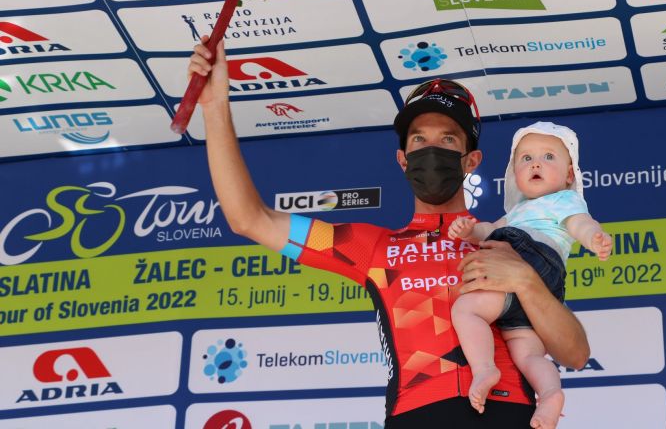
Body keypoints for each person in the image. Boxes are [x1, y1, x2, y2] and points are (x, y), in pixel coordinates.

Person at [187, 36, 590, 428]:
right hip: (416, 414)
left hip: (510, 412)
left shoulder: (508, 240)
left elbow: (574, 353)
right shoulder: (370, 247)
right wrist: (214, 106)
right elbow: (249, 219)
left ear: (471, 160)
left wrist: (525, 281)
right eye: (419, 139)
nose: (432, 149)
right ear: (403, 159)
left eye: (448, 139)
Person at [448, 122, 612, 428]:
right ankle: (550, 394)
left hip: (532, 256)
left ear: (569, 175)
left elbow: (580, 223)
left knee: (466, 308)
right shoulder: (515, 213)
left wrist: (594, 238)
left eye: (548, 156)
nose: (536, 163)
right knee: (527, 353)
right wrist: (470, 231)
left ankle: (484, 368)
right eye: (526, 158)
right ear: (515, 175)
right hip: (544, 286)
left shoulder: (564, 200)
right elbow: (488, 229)